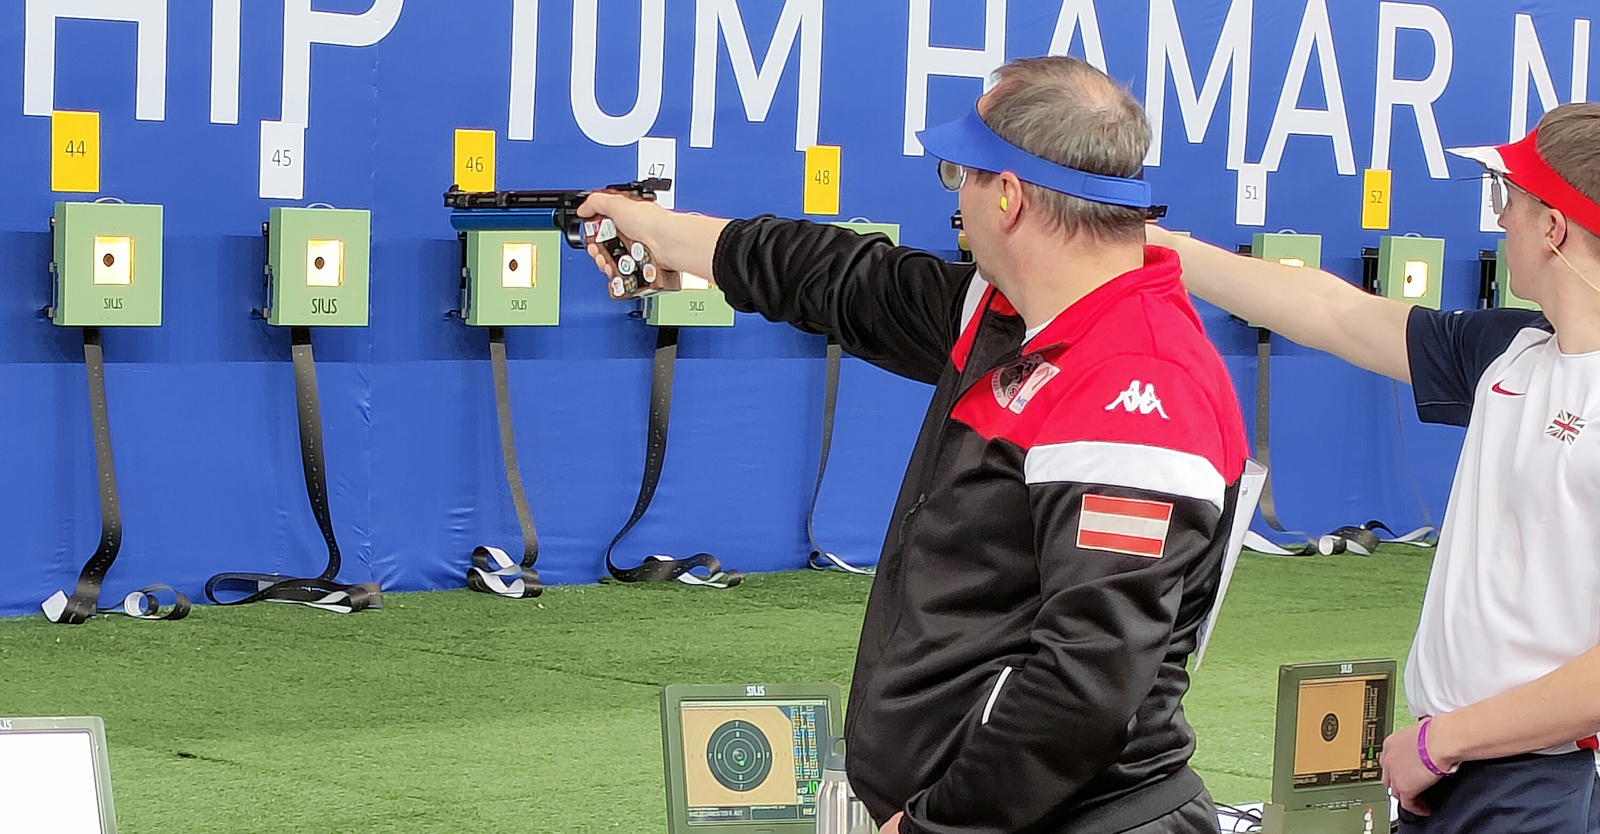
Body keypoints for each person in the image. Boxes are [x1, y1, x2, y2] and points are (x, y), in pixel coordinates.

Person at [581, 56, 1247, 834]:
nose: (954, 199)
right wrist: (663, 235)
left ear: (1008, 195)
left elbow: (1087, 683)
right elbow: (840, 279)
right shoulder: (1012, 316)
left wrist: (941, 823)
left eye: (958, 174)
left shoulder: (1135, 385)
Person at [1149, 104, 1600, 833]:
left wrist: (1443, 740)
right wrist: (1160, 248)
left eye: (1508, 199)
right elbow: (1333, 313)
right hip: (1458, 770)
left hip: (1538, 780)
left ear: (1553, 227)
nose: (1499, 220)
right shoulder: (1512, 350)